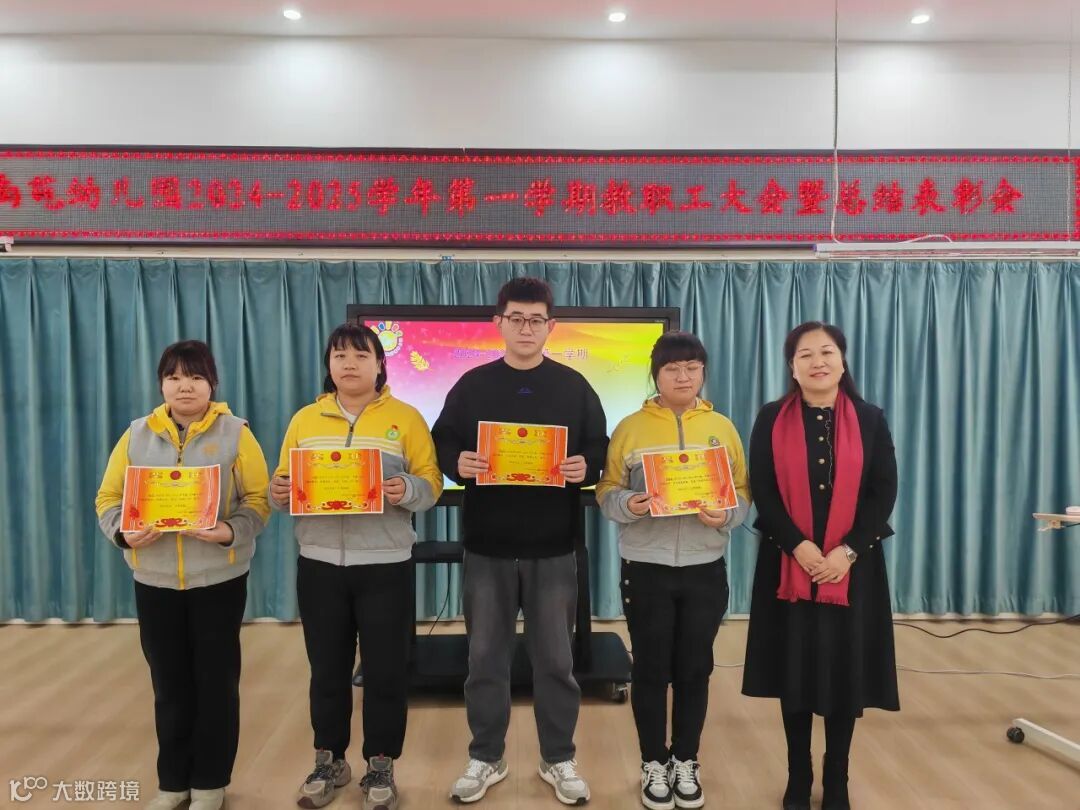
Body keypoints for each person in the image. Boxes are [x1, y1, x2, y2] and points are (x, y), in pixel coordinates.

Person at [431, 277, 609, 805]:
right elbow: (444, 441)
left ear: (550, 326)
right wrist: (457, 463)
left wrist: (586, 466)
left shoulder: (574, 386)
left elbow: (599, 446)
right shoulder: (472, 385)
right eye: (516, 318)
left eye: (535, 320)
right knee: (485, 659)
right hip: (487, 545)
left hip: (553, 546)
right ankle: (487, 756)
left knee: (556, 661)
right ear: (499, 323)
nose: (526, 328)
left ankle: (558, 757)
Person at [268, 323, 443, 810]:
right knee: (326, 669)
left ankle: (381, 763)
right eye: (340, 355)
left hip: (385, 564)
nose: (349, 364)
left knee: (386, 671)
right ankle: (329, 759)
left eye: (361, 355)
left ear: (380, 365)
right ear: (328, 364)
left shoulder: (406, 418)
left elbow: (431, 483)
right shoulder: (305, 420)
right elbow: (283, 484)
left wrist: (406, 489)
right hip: (319, 563)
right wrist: (279, 491)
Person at [95, 340, 270, 810]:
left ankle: (210, 782)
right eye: (173, 377)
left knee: (216, 684)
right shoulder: (136, 434)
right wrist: (123, 533)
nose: (184, 386)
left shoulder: (236, 433)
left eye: (195, 376)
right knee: (168, 684)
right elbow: (108, 499)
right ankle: (172, 783)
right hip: (154, 583)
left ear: (212, 382)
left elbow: (258, 501)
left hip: (219, 581)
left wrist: (229, 530)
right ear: (161, 384)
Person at [742, 322, 899, 810]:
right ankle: (798, 776)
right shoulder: (771, 417)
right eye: (805, 355)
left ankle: (837, 778)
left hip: (853, 570)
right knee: (793, 672)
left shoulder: (870, 419)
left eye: (826, 352)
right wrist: (798, 547)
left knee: (844, 673)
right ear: (792, 367)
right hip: (788, 567)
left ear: (842, 360)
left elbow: (883, 492)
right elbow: (763, 489)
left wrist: (846, 552)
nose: (817, 362)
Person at [597, 330, 750, 810]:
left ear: (703, 372)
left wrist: (726, 515)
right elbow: (606, 491)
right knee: (650, 669)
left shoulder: (722, 428)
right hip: (646, 567)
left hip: (705, 568)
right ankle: (652, 762)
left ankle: (686, 759)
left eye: (692, 367)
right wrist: (630, 504)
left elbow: (743, 491)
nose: (683, 376)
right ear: (656, 374)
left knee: (694, 668)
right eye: (672, 368)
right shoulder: (630, 428)